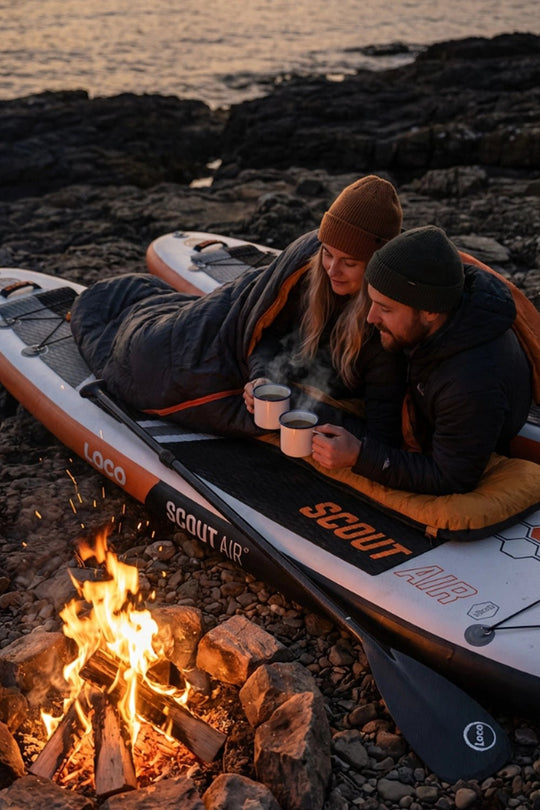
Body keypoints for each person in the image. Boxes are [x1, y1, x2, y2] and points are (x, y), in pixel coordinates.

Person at [70, 175, 406, 442]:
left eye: (349, 262)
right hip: (188, 342)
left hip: (291, 394)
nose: (332, 269)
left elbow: (380, 434)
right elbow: (264, 329)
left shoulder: (384, 330)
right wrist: (261, 377)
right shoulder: (308, 277)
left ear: (377, 266)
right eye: (328, 253)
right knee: (145, 356)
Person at [312, 225, 534, 495]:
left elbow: (450, 477)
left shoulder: (470, 381)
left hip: (456, 448)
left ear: (429, 311)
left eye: (385, 308)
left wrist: (360, 456)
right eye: (372, 303)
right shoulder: (437, 308)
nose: (371, 318)